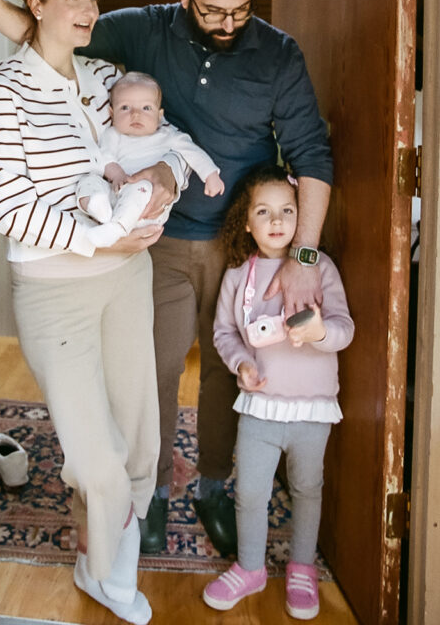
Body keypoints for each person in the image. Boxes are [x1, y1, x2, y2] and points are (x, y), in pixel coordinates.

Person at [0, 0, 333, 558]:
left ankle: (210, 488)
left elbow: (312, 153)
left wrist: (304, 257)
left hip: (240, 249)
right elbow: (56, 40)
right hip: (161, 245)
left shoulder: (278, 55)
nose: (228, 23)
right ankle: (148, 496)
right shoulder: (144, 29)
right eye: (212, 10)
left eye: (241, 9)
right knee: (155, 370)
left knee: (231, 372)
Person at [0, 0, 186, 625]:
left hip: (127, 280)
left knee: (137, 440)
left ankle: (101, 566)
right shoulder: (3, 91)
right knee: (95, 455)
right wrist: (100, 236)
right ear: (35, 3)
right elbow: (7, 206)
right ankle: (109, 565)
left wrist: (165, 179)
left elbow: (164, 138)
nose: (89, 8)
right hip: (52, 290)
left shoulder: (105, 79)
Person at [204, 165, 353, 619]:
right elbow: (224, 333)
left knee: (308, 489)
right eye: (264, 212)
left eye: (288, 211)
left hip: (312, 408)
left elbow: (344, 330)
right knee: (250, 492)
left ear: (301, 217)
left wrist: (317, 334)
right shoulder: (238, 274)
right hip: (259, 408)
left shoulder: (321, 268)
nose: (276, 221)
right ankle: (250, 568)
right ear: (246, 222)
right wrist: (241, 363)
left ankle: (302, 568)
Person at [77, 70, 224, 248]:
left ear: (159, 115)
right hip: (116, 189)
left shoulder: (168, 135)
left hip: (148, 206)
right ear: (111, 112)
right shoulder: (113, 134)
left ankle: (115, 229)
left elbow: (192, 151)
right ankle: (98, 209)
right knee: (88, 180)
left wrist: (210, 174)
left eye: (146, 108)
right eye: (125, 107)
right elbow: (104, 157)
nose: (136, 114)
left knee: (143, 187)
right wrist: (117, 175)